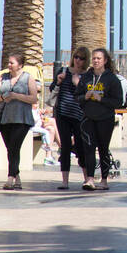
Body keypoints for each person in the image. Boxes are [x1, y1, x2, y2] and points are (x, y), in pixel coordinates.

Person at [0, 53, 39, 191]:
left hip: (22, 119)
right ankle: (17, 177)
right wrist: (3, 97)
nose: (9, 65)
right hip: (5, 118)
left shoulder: (28, 78)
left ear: (20, 65)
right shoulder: (3, 77)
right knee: (10, 149)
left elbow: (34, 98)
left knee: (15, 146)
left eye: (11, 63)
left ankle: (10, 178)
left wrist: (16, 96)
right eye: (8, 62)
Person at [80, 48, 122, 191]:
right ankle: (90, 179)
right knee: (89, 148)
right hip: (88, 118)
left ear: (105, 61)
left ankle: (104, 180)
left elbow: (118, 101)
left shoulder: (111, 79)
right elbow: (76, 96)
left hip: (105, 118)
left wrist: (101, 98)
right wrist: (84, 97)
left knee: (103, 149)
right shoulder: (86, 77)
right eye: (94, 58)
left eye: (99, 58)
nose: (96, 61)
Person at [50, 49, 89, 189]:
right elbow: (52, 88)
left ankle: (87, 179)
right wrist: (59, 81)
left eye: (82, 58)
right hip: (63, 113)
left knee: (81, 146)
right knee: (65, 146)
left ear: (86, 60)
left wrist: (78, 83)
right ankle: (65, 181)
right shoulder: (64, 71)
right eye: (76, 57)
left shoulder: (87, 75)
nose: (78, 60)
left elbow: (89, 93)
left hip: (79, 114)